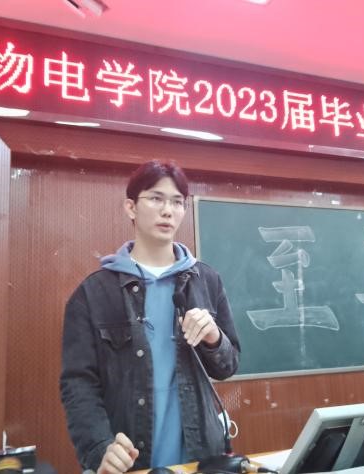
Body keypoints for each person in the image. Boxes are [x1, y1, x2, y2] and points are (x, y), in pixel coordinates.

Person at [60, 160, 241, 473]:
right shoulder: (93, 292)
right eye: (156, 199)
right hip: (129, 458)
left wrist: (214, 338)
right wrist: (98, 447)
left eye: (177, 202)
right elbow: (78, 384)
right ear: (131, 207)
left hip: (200, 457)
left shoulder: (206, 280)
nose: (168, 211)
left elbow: (227, 367)